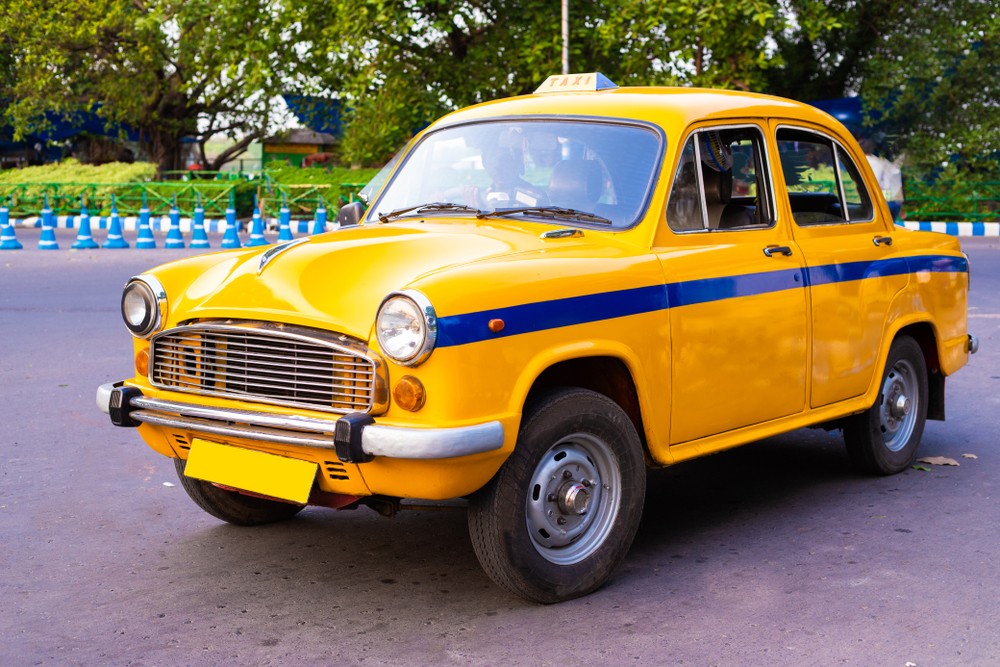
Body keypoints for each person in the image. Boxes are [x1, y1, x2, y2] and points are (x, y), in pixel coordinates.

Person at [860, 137, 904, 221]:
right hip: (894, 199)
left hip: (884, 199)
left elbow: (874, 183)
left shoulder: (871, 162)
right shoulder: (883, 162)